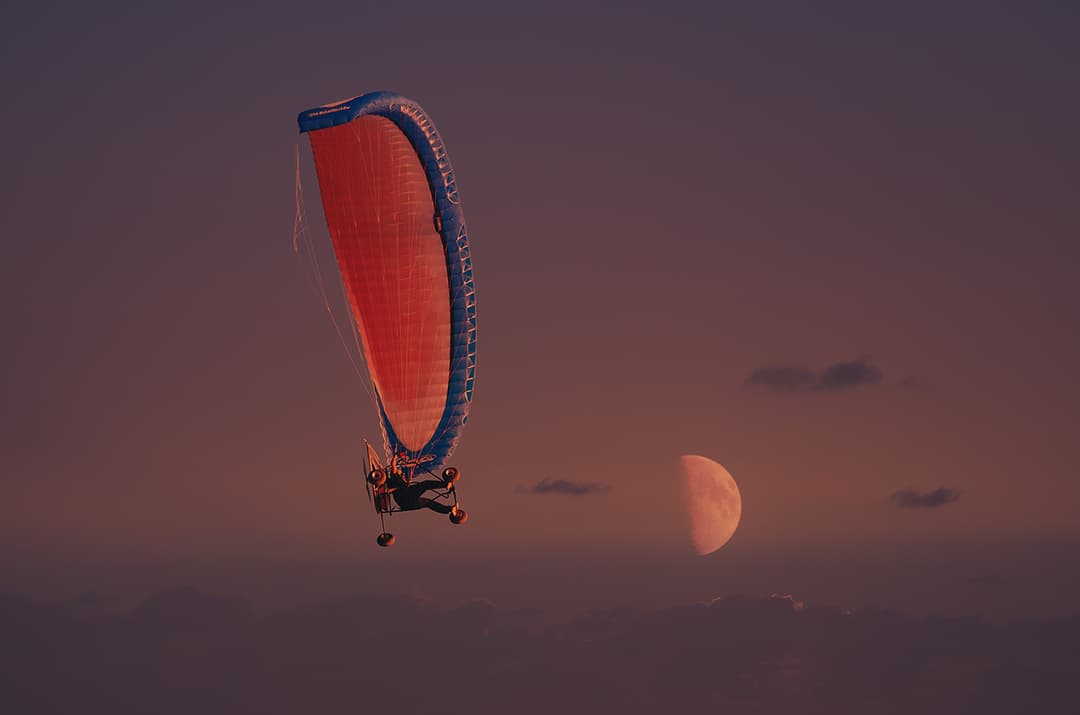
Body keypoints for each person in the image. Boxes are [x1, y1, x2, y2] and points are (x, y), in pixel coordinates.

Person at [385, 469, 455, 514]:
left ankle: (449, 509)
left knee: (429, 503)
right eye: (401, 474)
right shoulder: (396, 478)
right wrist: (394, 458)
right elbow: (393, 469)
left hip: (406, 503)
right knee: (426, 484)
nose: (402, 476)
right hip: (407, 497)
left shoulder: (398, 481)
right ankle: (445, 485)